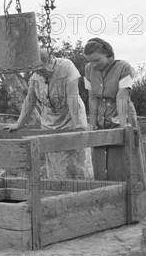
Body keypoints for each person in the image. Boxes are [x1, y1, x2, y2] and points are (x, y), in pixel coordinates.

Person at [7, 49, 93, 180]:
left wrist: (79, 126)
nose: (39, 74)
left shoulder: (67, 66)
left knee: (76, 158)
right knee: (55, 161)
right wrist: (18, 124)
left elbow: (72, 98)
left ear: (50, 61)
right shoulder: (35, 77)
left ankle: (81, 191)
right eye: (36, 71)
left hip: (71, 116)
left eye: (41, 70)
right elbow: (30, 100)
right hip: (50, 121)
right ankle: (57, 189)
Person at [83, 37, 146, 189]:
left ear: (108, 54)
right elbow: (92, 96)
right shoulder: (89, 69)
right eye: (90, 61)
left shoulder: (123, 67)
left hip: (122, 112)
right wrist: (92, 124)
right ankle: (105, 195)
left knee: (124, 157)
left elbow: (122, 97)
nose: (93, 64)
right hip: (100, 116)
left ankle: (136, 195)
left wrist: (123, 126)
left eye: (97, 60)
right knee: (100, 159)